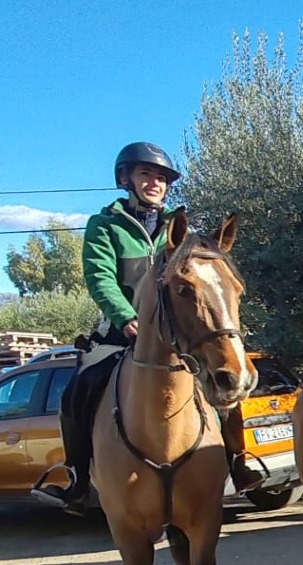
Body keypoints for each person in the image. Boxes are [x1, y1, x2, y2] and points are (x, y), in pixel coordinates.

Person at [32, 142, 263, 514]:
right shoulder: (105, 226)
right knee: (78, 390)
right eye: (146, 175)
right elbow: (101, 278)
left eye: (161, 178)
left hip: (175, 335)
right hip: (120, 335)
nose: (155, 183)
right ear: (126, 179)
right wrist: (126, 318)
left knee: (223, 383)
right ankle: (76, 477)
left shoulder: (180, 229)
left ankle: (238, 460)